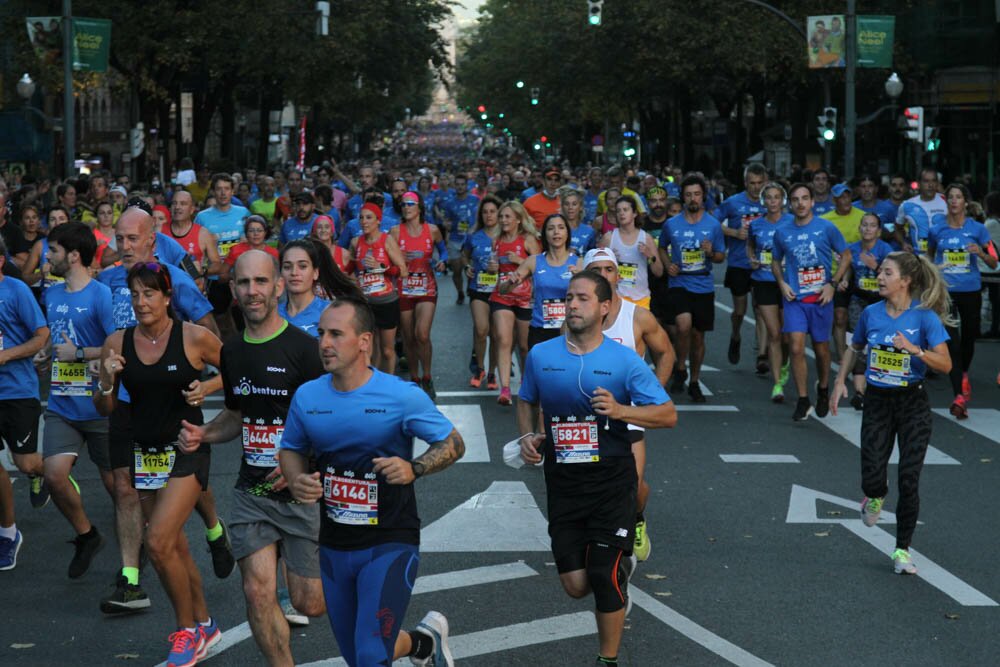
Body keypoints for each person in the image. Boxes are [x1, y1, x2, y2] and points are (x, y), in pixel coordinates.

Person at [279, 296, 464, 667]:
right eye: (321, 334)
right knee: (358, 654)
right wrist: (296, 478)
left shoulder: (400, 396)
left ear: (364, 341)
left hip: (389, 540)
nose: (325, 343)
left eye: (336, 334)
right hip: (334, 545)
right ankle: (422, 643)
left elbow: (453, 442)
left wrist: (415, 468)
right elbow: (291, 449)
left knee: (369, 655)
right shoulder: (308, 397)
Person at [517, 270, 676, 667]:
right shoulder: (542, 356)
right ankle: (618, 570)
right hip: (563, 482)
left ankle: (608, 660)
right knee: (575, 585)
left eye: (583, 298)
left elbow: (667, 414)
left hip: (611, 481)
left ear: (604, 308)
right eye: (570, 297)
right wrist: (528, 437)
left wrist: (622, 410)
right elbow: (526, 399)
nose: (572, 304)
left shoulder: (624, 361)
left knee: (603, 576)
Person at [177, 250, 326, 666]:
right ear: (234, 290)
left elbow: (331, 420)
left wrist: (301, 462)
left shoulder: (306, 350)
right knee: (258, 591)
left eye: (261, 281)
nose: (252, 291)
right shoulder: (234, 351)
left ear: (278, 286)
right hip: (252, 491)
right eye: (243, 283)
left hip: (301, 493)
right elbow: (238, 415)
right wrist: (205, 432)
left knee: (309, 602)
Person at [96, 207, 232, 617]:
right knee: (131, 497)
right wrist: (103, 372)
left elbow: (214, 337)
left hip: (175, 410)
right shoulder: (107, 280)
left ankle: (214, 530)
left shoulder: (177, 280)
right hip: (129, 406)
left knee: (186, 507)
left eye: (131, 239)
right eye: (118, 239)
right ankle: (131, 580)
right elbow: (99, 344)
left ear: (151, 239)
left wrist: (206, 383)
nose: (123, 247)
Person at [829, 252, 952, 575]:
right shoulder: (871, 313)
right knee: (872, 473)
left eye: (886, 272)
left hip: (913, 403)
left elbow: (946, 364)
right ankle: (874, 495)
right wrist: (840, 381)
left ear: (905, 280)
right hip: (878, 402)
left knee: (909, 479)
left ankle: (902, 549)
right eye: (880, 272)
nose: (879, 277)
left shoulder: (925, 318)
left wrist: (916, 352)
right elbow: (854, 348)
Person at [583, 249, 675, 563]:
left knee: (632, 487)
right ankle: (603, 547)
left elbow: (666, 353)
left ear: (618, 275)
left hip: (629, 417)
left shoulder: (637, 316)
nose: (604, 274)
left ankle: (636, 518)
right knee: (588, 484)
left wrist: (651, 395)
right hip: (588, 416)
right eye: (597, 269)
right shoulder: (576, 318)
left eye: (609, 269)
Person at [35, 223, 115, 578]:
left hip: (99, 406)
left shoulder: (100, 295)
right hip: (62, 406)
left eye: (52, 250)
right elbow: (57, 340)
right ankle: (87, 535)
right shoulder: (51, 294)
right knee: (53, 476)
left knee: (118, 487)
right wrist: (46, 354)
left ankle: (141, 543)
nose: (46, 257)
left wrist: (80, 353)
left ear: (74, 255)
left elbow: (119, 344)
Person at [771, 183, 851, 421]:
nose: (800, 203)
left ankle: (823, 388)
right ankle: (804, 398)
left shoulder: (826, 227)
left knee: (821, 348)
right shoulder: (783, 231)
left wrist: (833, 283)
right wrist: (781, 283)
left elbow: (846, 255)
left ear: (812, 202)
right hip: (795, 299)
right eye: (795, 199)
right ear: (790, 204)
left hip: (821, 299)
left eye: (805, 198)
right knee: (795, 346)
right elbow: (776, 261)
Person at [927, 183, 997, 418]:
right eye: (951, 197)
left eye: (959, 197)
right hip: (946, 291)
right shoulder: (937, 229)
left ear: (966, 202)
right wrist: (933, 271)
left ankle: (963, 372)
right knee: (951, 341)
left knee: (970, 336)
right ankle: (958, 394)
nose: (954, 201)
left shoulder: (978, 229)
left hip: (971, 290)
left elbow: (994, 262)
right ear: (946, 202)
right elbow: (930, 255)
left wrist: (980, 253)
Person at [658, 175, 726, 402]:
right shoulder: (672, 224)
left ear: (703, 196)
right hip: (680, 283)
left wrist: (709, 253)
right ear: (682, 197)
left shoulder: (713, 225)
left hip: (703, 284)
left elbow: (719, 257)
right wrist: (669, 266)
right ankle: (680, 366)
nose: (693, 198)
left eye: (696, 194)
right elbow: (662, 247)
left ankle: (694, 380)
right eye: (688, 195)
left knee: (698, 336)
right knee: (683, 323)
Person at [0, 234, 51, 514]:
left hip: (17, 390)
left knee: (25, 462)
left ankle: (50, 473)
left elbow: (41, 336)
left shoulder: (16, 291)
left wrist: (6, 355)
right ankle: (7, 529)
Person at [714, 163, 767, 367]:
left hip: (763, 265)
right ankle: (735, 335)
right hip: (738, 263)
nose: (756, 187)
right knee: (739, 311)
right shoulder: (733, 203)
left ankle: (761, 354)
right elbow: (712, 222)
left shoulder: (770, 202)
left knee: (761, 308)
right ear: (745, 183)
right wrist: (734, 233)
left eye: (760, 183)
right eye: (752, 183)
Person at [396, 191, 446, 398]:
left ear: (419, 208)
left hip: (426, 287)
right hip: (404, 288)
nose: (406, 207)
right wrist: (398, 259)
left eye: (410, 204)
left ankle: (427, 376)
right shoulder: (394, 232)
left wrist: (442, 261)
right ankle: (415, 379)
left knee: (422, 334)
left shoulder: (432, 230)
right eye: (403, 204)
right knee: (408, 337)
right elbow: (387, 259)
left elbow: (443, 251)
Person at [505, 212, 581, 350]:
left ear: (567, 233)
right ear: (545, 234)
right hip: (540, 329)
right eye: (551, 228)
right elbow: (504, 290)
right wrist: (510, 282)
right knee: (540, 370)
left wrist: (581, 280)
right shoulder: (534, 261)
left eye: (561, 227)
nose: (556, 232)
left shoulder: (579, 263)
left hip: (570, 329)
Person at [490, 201, 540, 405]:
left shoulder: (527, 240)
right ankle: (505, 388)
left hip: (526, 298)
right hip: (502, 295)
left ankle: (527, 384)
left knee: (524, 346)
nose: (503, 220)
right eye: (501, 217)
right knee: (503, 339)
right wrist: (492, 267)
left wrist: (520, 260)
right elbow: (495, 268)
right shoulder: (497, 241)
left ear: (518, 219)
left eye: (507, 217)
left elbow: (540, 266)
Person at [747, 182, 793, 402]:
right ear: (763, 201)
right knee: (774, 333)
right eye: (769, 197)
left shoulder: (792, 222)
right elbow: (750, 245)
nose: (773, 201)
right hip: (763, 281)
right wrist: (752, 259)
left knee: (786, 336)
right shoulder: (756, 225)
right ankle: (777, 385)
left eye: (776, 197)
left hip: (787, 282)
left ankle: (784, 364)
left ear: (782, 201)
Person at [843, 213, 894, 408]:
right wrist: (845, 280)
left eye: (872, 226)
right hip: (859, 299)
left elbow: (895, 275)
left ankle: (878, 386)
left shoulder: (886, 250)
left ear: (879, 231)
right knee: (859, 343)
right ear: (859, 228)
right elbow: (848, 269)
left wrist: (877, 266)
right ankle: (859, 392)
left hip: (881, 302)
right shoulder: (853, 249)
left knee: (878, 344)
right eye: (864, 225)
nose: (868, 229)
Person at [350, 202, 407, 374]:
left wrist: (381, 267)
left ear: (378, 220)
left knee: (387, 350)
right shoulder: (355, 242)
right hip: (366, 303)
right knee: (368, 350)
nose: (364, 221)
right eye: (361, 218)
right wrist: (355, 284)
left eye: (369, 218)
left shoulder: (386, 240)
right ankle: (372, 386)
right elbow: (350, 270)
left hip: (386, 301)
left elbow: (403, 271)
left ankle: (387, 386)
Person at [195, 173, 250, 336]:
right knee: (218, 322)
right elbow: (198, 249)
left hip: (239, 275)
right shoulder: (202, 217)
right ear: (213, 192)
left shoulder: (243, 213)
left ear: (233, 191)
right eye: (219, 189)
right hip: (214, 278)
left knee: (242, 322)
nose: (223, 193)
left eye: (227, 189)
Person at [463, 194, 502, 389]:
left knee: (496, 334)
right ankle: (479, 369)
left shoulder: (506, 235)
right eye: (485, 212)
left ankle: (493, 372)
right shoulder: (474, 235)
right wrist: (466, 266)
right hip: (478, 288)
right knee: (481, 330)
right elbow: (465, 255)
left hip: (500, 289)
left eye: (493, 212)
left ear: (499, 213)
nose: (489, 215)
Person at [599, 195, 663, 310]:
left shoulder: (646, 238)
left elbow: (659, 272)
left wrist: (650, 256)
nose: (621, 213)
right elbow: (596, 271)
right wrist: (609, 260)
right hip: (617, 298)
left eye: (625, 210)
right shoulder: (609, 238)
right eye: (618, 211)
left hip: (641, 299)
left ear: (634, 213)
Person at [166, 190, 224, 285]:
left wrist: (202, 271)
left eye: (183, 204)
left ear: (192, 209)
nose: (177, 207)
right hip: (166, 292)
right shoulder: (159, 231)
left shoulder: (203, 233)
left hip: (192, 292)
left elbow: (217, 265)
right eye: (174, 203)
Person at [441, 174, 479, 304]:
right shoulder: (449, 203)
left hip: (471, 240)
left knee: (470, 268)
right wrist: (447, 225)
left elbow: (480, 218)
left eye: (463, 184)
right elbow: (446, 220)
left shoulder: (475, 200)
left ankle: (470, 287)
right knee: (457, 270)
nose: (460, 187)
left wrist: (473, 229)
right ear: (454, 185)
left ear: (467, 185)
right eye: (457, 184)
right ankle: (460, 292)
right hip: (455, 239)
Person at [898, 168, 946, 255]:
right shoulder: (907, 205)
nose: (930, 185)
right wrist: (903, 243)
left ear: (937, 183)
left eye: (933, 181)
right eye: (926, 181)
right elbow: (897, 228)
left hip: (942, 259)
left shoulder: (947, 201)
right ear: (919, 184)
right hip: (919, 259)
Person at [561, 186, 595, 257]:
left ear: (581, 207)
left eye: (574, 204)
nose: (570, 207)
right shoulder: (556, 230)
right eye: (567, 204)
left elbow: (592, 256)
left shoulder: (589, 231)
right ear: (562, 206)